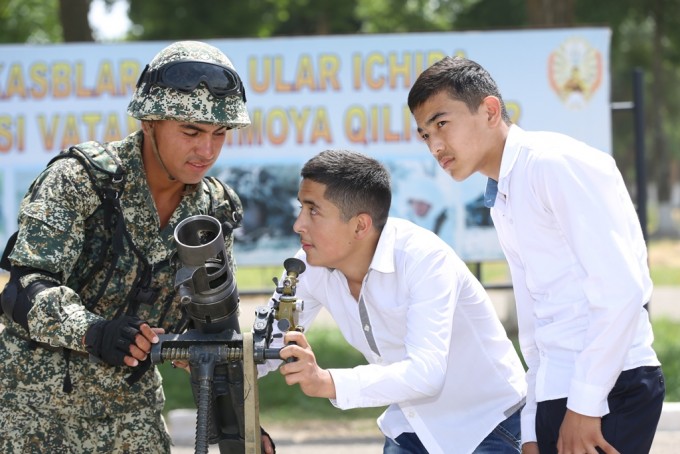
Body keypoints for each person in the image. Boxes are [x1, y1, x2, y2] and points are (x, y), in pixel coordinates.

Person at [0, 41, 274, 453]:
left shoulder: (215, 208)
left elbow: (213, 330)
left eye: (220, 134)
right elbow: (24, 288)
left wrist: (243, 430)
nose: (207, 150)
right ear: (149, 122)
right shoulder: (79, 180)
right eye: (191, 131)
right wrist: (93, 331)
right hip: (32, 407)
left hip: (131, 412)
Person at [407, 56, 665, 454]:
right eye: (424, 135)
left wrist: (586, 404)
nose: (435, 145)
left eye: (442, 124)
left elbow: (622, 289)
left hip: (611, 386)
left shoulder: (554, 163)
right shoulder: (503, 195)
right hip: (559, 391)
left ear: (490, 111)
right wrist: (530, 427)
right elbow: (536, 321)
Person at [260, 149, 527, 454]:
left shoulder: (424, 258)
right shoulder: (305, 268)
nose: (298, 224)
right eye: (301, 208)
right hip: (412, 428)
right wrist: (214, 357)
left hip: (490, 427)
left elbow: (425, 374)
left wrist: (327, 381)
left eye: (313, 211)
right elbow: (267, 346)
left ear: (360, 225)